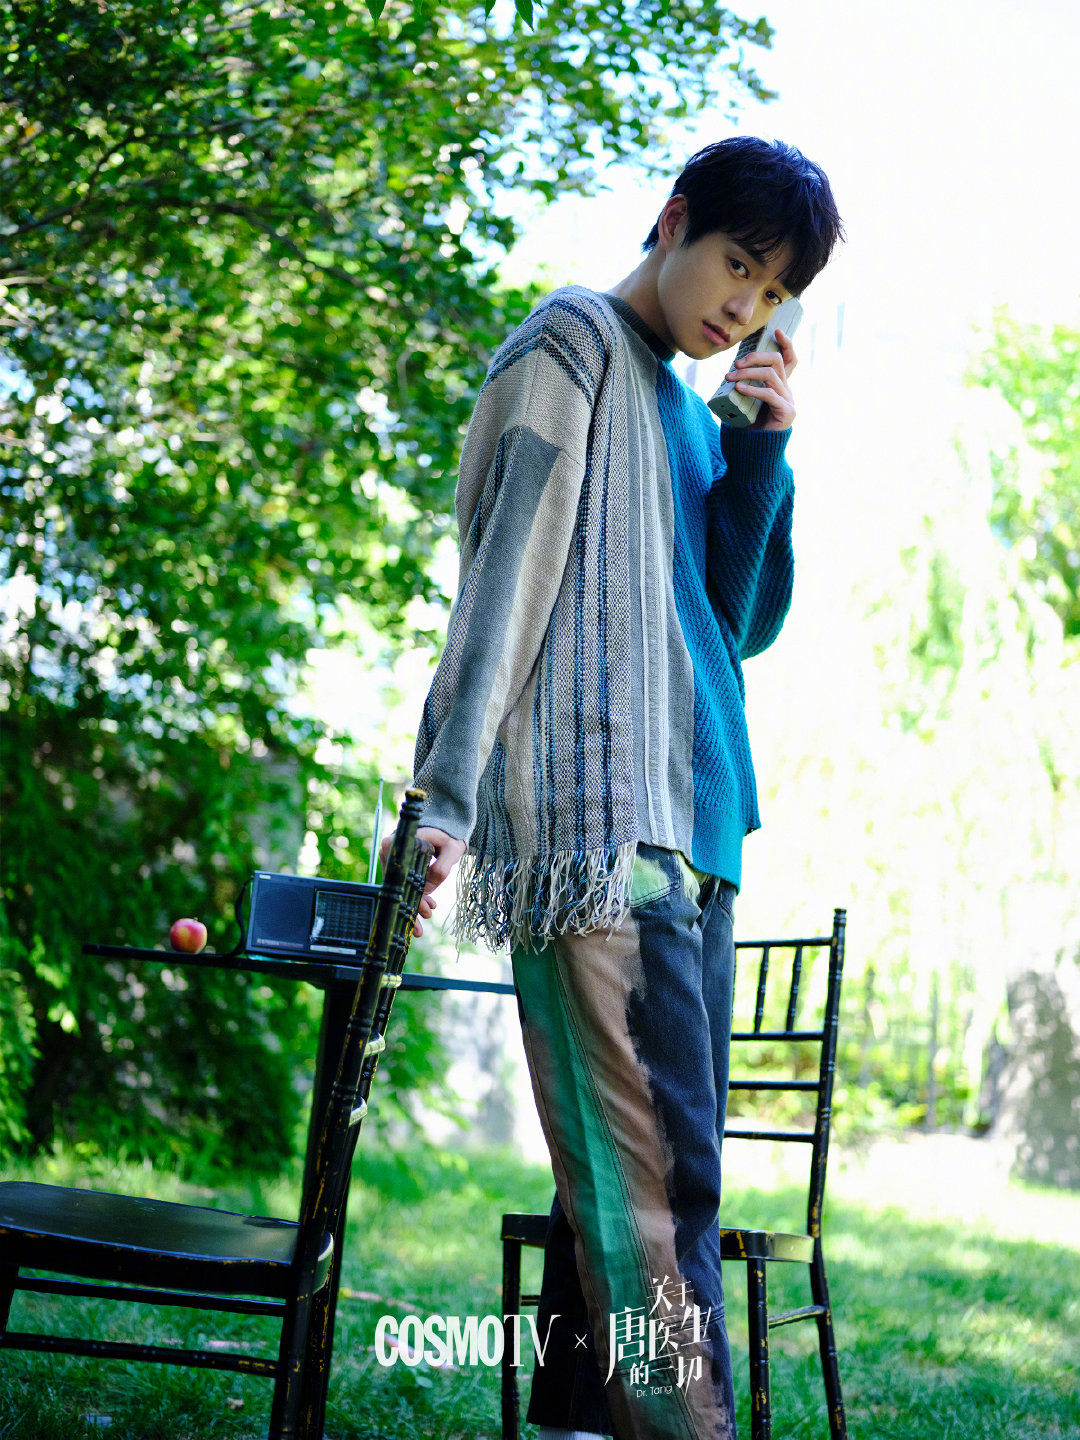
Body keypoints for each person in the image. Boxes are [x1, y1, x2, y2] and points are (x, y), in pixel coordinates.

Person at [383, 136, 843, 1439]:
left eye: (771, 293)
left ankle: (587, 1422)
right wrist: (446, 793)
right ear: (674, 219)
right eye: (738, 265)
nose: (743, 307)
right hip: (599, 829)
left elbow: (736, 624)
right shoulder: (572, 344)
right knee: (656, 1199)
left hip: (696, 839)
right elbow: (508, 569)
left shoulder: (692, 418)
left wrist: (761, 448)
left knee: (644, 1179)